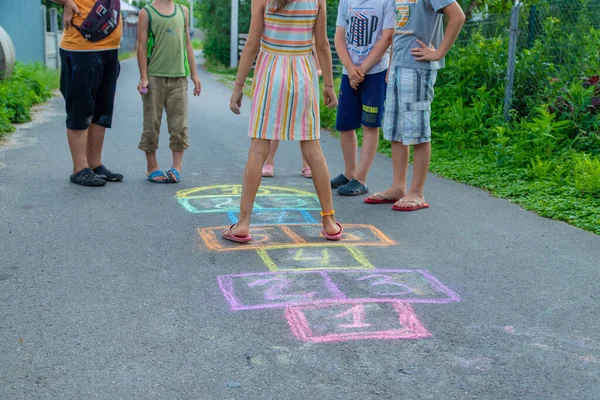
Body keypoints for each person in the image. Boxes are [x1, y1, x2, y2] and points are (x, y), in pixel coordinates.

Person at [225, 0, 342, 243]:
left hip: (270, 73)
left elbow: (252, 45)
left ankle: (243, 223)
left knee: (259, 148)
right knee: (312, 147)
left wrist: (238, 86)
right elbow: (322, 44)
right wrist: (329, 85)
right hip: (303, 74)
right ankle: (329, 221)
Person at [365, 0, 465, 210]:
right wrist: (391, 65)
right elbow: (398, 31)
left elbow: (458, 16)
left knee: (417, 130)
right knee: (396, 130)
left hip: (417, 68)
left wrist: (438, 53)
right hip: (397, 67)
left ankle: (417, 192)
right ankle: (398, 187)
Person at [329, 0, 395, 196]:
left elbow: (387, 37)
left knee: (370, 124)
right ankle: (350, 173)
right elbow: (339, 38)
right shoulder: (346, 1)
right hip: (349, 71)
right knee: (345, 124)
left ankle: (361, 178)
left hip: (375, 70)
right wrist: (350, 69)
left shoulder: (387, 2)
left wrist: (362, 70)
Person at [56, 0, 123, 186]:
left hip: (110, 46)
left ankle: (94, 164)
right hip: (80, 47)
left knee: (102, 110)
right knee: (80, 108)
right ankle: (80, 168)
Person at [136, 0, 201, 183]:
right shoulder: (146, 13)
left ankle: (176, 167)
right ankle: (152, 167)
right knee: (151, 123)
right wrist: (143, 76)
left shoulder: (183, 11)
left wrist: (194, 74)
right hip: (154, 78)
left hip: (179, 78)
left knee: (179, 125)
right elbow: (141, 47)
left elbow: (187, 43)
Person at [260, 39, 322, 180]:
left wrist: (312, 73)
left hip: (303, 87)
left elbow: (319, 69)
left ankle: (307, 165)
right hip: (282, 86)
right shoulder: (283, 44)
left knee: (305, 129)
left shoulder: (311, 46)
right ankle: (269, 162)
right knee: (276, 125)